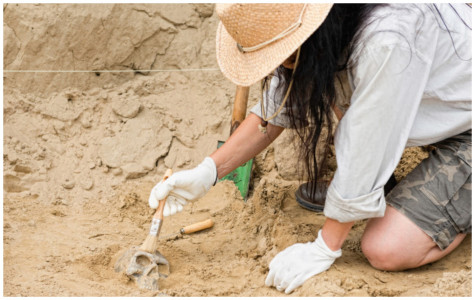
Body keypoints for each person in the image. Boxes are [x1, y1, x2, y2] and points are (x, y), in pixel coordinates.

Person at [149, 3, 472, 294]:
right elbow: (279, 105)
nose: (279, 67)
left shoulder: (387, 38)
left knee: (386, 247)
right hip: (438, 116)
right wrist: (208, 172)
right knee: (328, 82)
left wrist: (325, 246)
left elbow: (367, 141)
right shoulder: (325, 24)